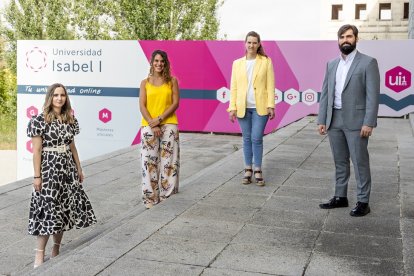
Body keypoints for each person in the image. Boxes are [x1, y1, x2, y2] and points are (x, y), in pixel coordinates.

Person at [27, 83, 97, 268]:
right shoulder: (39, 120)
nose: (59, 98)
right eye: (56, 95)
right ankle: (39, 255)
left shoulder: (69, 120)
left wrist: (79, 169)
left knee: (64, 208)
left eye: (63, 95)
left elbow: (72, 146)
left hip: (67, 168)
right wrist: (37, 176)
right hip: (49, 169)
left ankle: (56, 249)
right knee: (48, 209)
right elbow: (37, 151)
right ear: (50, 97)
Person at [317, 24, 380, 217]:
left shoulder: (368, 63)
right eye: (342, 37)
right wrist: (322, 120)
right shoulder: (331, 64)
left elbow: (373, 95)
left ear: (356, 39)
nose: (346, 40)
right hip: (334, 119)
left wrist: (369, 122)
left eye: (349, 36)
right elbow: (326, 93)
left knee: (360, 162)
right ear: (338, 40)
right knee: (340, 161)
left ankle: (363, 201)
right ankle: (340, 196)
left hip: (357, 121)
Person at [227, 31, 275, 186]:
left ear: (259, 44)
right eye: (249, 42)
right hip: (242, 107)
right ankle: (248, 168)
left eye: (254, 42)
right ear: (245, 43)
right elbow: (233, 87)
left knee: (256, 138)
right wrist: (232, 107)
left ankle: (258, 169)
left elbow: (270, 85)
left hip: (260, 107)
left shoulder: (266, 61)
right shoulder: (237, 63)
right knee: (246, 138)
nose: (251, 45)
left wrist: (271, 106)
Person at [139, 49, 180, 209]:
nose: (159, 64)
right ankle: (150, 197)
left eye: (162, 61)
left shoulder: (172, 81)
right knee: (149, 161)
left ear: (166, 63)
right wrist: (152, 123)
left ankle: (166, 195)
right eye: (156, 61)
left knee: (169, 161)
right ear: (152, 62)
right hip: (149, 124)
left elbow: (175, 103)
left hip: (168, 123)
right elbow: (142, 105)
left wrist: (160, 119)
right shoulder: (144, 82)